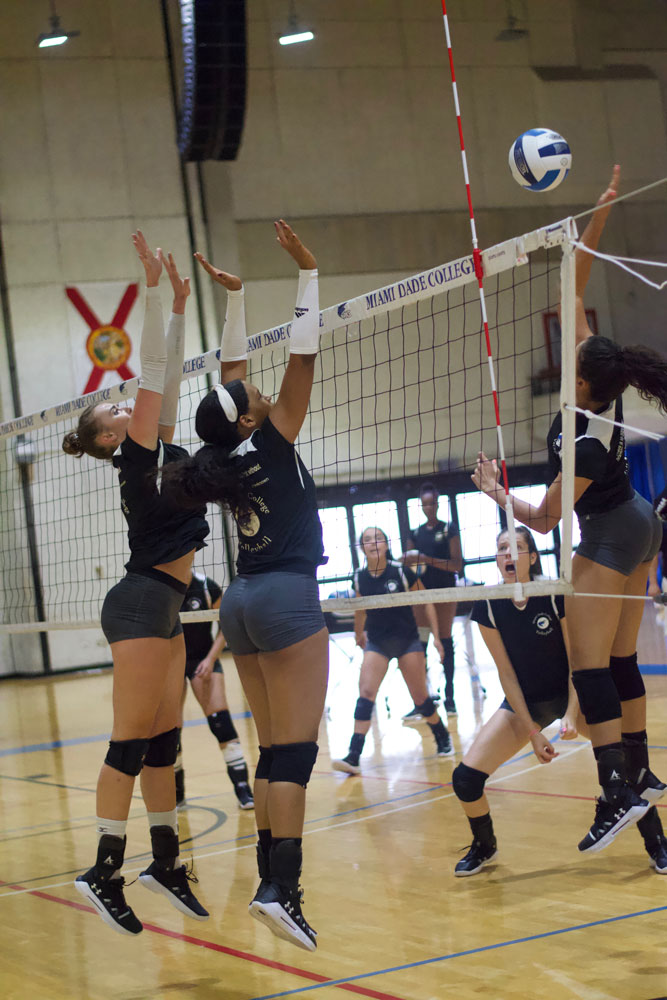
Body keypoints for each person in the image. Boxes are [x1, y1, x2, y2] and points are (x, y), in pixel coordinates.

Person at [472, 165, 667, 854]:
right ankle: (644, 805)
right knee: (617, 667)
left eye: (570, 369)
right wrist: (600, 214)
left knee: (588, 669)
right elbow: (574, 284)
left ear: (582, 381)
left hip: (613, 531)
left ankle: (616, 790)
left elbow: (547, 519)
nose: (564, 365)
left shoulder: (584, 439)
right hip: (638, 521)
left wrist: (499, 496)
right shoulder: (596, 378)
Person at [163, 220, 325, 952]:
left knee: (271, 753)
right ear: (254, 415)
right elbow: (302, 353)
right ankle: (280, 890)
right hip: (285, 597)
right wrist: (306, 274)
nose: (253, 385)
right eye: (251, 392)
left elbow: (232, 381)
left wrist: (232, 300)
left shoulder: (227, 451)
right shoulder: (276, 432)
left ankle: (270, 878)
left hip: (246, 601)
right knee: (292, 754)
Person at [62, 235, 209, 935]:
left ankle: (165, 860)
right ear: (113, 439)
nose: (126, 406)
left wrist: (179, 304)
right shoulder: (138, 453)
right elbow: (151, 370)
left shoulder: (157, 449)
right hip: (141, 602)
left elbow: (167, 377)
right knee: (129, 739)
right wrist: (150, 290)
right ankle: (104, 868)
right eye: (114, 413)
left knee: (163, 742)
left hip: (167, 606)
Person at [453, 527, 666, 877]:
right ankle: (484, 845)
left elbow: (577, 660)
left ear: (532, 557)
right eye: (502, 548)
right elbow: (507, 675)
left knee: (627, 769)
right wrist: (533, 731)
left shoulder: (553, 594)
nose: (508, 554)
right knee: (465, 780)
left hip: (573, 697)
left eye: (517, 547)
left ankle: (658, 844)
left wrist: (570, 712)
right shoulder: (487, 604)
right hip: (527, 705)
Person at [332, 526, 454, 774]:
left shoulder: (400, 571)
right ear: (362, 548)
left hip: (407, 640)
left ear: (386, 545)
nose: (373, 542)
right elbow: (359, 608)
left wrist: (438, 638)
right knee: (365, 693)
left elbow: (426, 600)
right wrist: (358, 633)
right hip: (378, 643)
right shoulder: (358, 576)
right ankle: (354, 756)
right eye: (367, 540)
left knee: (420, 698)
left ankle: (441, 735)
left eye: (378, 538)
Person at [175, 570, 254, 810]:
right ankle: (176, 794)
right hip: (172, 663)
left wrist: (210, 659)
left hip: (203, 658)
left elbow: (225, 627)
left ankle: (243, 790)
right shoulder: (164, 590)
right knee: (170, 731)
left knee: (221, 722)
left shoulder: (207, 587)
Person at [402, 482, 462, 717]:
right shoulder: (415, 534)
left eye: (432, 503)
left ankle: (450, 697)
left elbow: (457, 565)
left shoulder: (449, 529)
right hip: (422, 593)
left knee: (445, 642)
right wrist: (408, 559)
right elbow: (408, 564)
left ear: (437, 504)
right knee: (421, 644)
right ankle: (424, 700)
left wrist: (426, 558)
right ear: (421, 506)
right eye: (425, 504)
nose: (429, 508)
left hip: (445, 592)